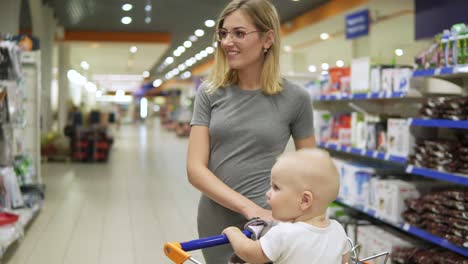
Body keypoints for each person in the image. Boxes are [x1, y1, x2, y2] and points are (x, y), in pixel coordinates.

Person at [187, 0, 315, 262]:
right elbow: (195, 170)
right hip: (218, 218)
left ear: (268, 39)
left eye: (239, 33)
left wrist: (315, 223)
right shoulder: (209, 93)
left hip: (270, 221)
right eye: (223, 34)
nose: (227, 42)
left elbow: (311, 170)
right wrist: (250, 209)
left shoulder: (296, 98)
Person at [223, 149, 350, 264]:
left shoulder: (284, 233)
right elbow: (343, 260)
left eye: (276, 187)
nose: (268, 193)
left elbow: (250, 253)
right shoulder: (338, 230)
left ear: (304, 200)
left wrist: (233, 232)